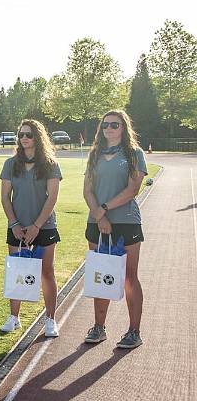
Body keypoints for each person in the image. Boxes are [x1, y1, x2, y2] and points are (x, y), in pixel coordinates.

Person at [83, 109, 147, 348]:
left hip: (126, 221)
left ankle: (134, 331)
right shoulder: (95, 154)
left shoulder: (134, 154)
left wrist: (104, 210)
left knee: (129, 277)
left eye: (115, 125)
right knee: (100, 274)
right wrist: (99, 216)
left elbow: (133, 189)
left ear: (124, 128)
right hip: (96, 222)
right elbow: (87, 190)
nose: (109, 128)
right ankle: (99, 328)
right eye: (106, 125)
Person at [0, 120, 62, 337]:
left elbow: (52, 197)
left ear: (38, 137)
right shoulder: (10, 163)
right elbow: (5, 197)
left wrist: (36, 226)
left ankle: (51, 319)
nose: (24, 138)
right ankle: (14, 317)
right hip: (17, 227)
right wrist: (15, 224)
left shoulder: (50, 164)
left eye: (28, 134)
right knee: (17, 271)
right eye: (21, 134)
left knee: (46, 272)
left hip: (44, 226)